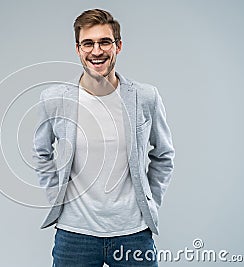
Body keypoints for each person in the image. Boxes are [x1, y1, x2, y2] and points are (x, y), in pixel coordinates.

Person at [32, 8, 175, 266]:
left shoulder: (145, 97)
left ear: (118, 46)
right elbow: (41, 153)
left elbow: (163, 155)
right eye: (88, 43)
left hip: (133, 233)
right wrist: (57, 198)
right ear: (78, 49)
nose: (96, 51)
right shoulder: (54, 99)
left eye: (105, 42)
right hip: (75, 235)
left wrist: (148, 201)